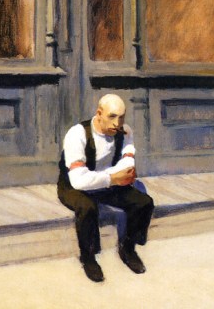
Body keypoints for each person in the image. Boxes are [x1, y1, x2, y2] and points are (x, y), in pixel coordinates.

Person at [57, 93, 154, 283]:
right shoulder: (77, 134)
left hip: (108, 182)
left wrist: (115, 177)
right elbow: (78, 180)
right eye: (112, 116)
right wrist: (112, 177)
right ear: (99, 113)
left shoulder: (125, 131)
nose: (117, 123)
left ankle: (128, 248)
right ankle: (88, 257)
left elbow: (127, 164)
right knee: (87, 207)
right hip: (74, 186)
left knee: (143, 202)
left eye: (121, 117)